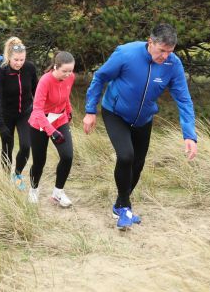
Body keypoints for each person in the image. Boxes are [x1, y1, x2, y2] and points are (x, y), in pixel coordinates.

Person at [83, 23, 197, 230]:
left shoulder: (173, 64)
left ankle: (119, 205)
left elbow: (184, 100)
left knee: (138, 164)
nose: (165, 56)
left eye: (169, 52)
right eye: (161, 50)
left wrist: (189, 135)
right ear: (150, 42)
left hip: (143, 118)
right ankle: (125, 208)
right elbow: (100, 77)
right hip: (115, 112)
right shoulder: (126, 54)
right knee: (126, 155)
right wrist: (90, 110)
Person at [27, 51, 76, 208]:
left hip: (59, 119)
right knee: (39, 161)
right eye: (65, 71)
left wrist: (68, 111)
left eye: (71, 70)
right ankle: (33, 190)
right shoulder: (45, 81)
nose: (68, 74)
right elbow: (37, 110)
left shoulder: (70, 77)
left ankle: (57, 193)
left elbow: (66, 95)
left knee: (67, 156)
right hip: (40, 123)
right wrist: (51, 131)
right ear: (56, 67)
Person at [0, 37, 38, 189]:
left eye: (22, 60)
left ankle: (17, 174)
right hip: (6, 115)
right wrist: (0, 124)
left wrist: (39, 112)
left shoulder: (30, 68)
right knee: (7, 147)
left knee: (26, 146)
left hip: (25, 113)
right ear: (9, 57)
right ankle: (5, 179)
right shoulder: (1, 72)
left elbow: (36, 91)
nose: (19, 63)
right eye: (16, 60)